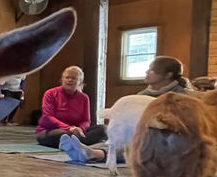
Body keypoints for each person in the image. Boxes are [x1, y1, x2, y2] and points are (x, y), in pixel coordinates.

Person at [59, 56, 195, 163]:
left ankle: (94, 154)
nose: (146, 72)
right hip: (139, 135)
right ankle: (88, 151)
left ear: (168, 75)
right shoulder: (142, 95)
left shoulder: (183, 96)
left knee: (139, 146)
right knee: (116, 139)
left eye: (151, 70)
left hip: (168, 141)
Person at [36, 66, 106, 148]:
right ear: (62, 79)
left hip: (76, 132)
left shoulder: (84, 98)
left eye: (74, 78)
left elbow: (86, 120)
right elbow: (48, 117)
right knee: (63, 134)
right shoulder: (50, 93)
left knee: (103, 129)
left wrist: (80, 129)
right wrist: (69, 128)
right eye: (67, 77)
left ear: (80, 82)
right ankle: (82, 143)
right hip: (51, 131)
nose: (70, 80)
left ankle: (74, 143)